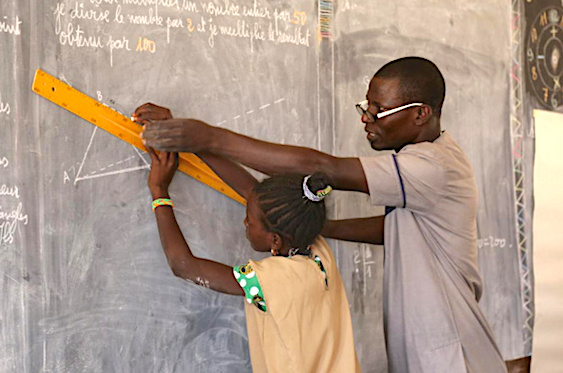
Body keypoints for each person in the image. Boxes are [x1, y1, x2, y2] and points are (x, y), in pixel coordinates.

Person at [135, 56, 508, 372]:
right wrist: (194, 146)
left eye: (378, 111)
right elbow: (259, 197)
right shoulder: (317, 256)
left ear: (420, 114)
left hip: (453, 356)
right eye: (366, 108)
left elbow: (321, 167)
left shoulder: (431, 167)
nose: (367, 119)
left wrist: (193, 156)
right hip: (431, 351)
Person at [144, 142, 361, 372]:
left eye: (251, 221)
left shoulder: (273, 279)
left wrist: (159, 191)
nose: (245, 222)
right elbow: (254, 194)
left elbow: (184, 266)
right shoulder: (317, 249)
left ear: (275, 240)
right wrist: (194, 144)